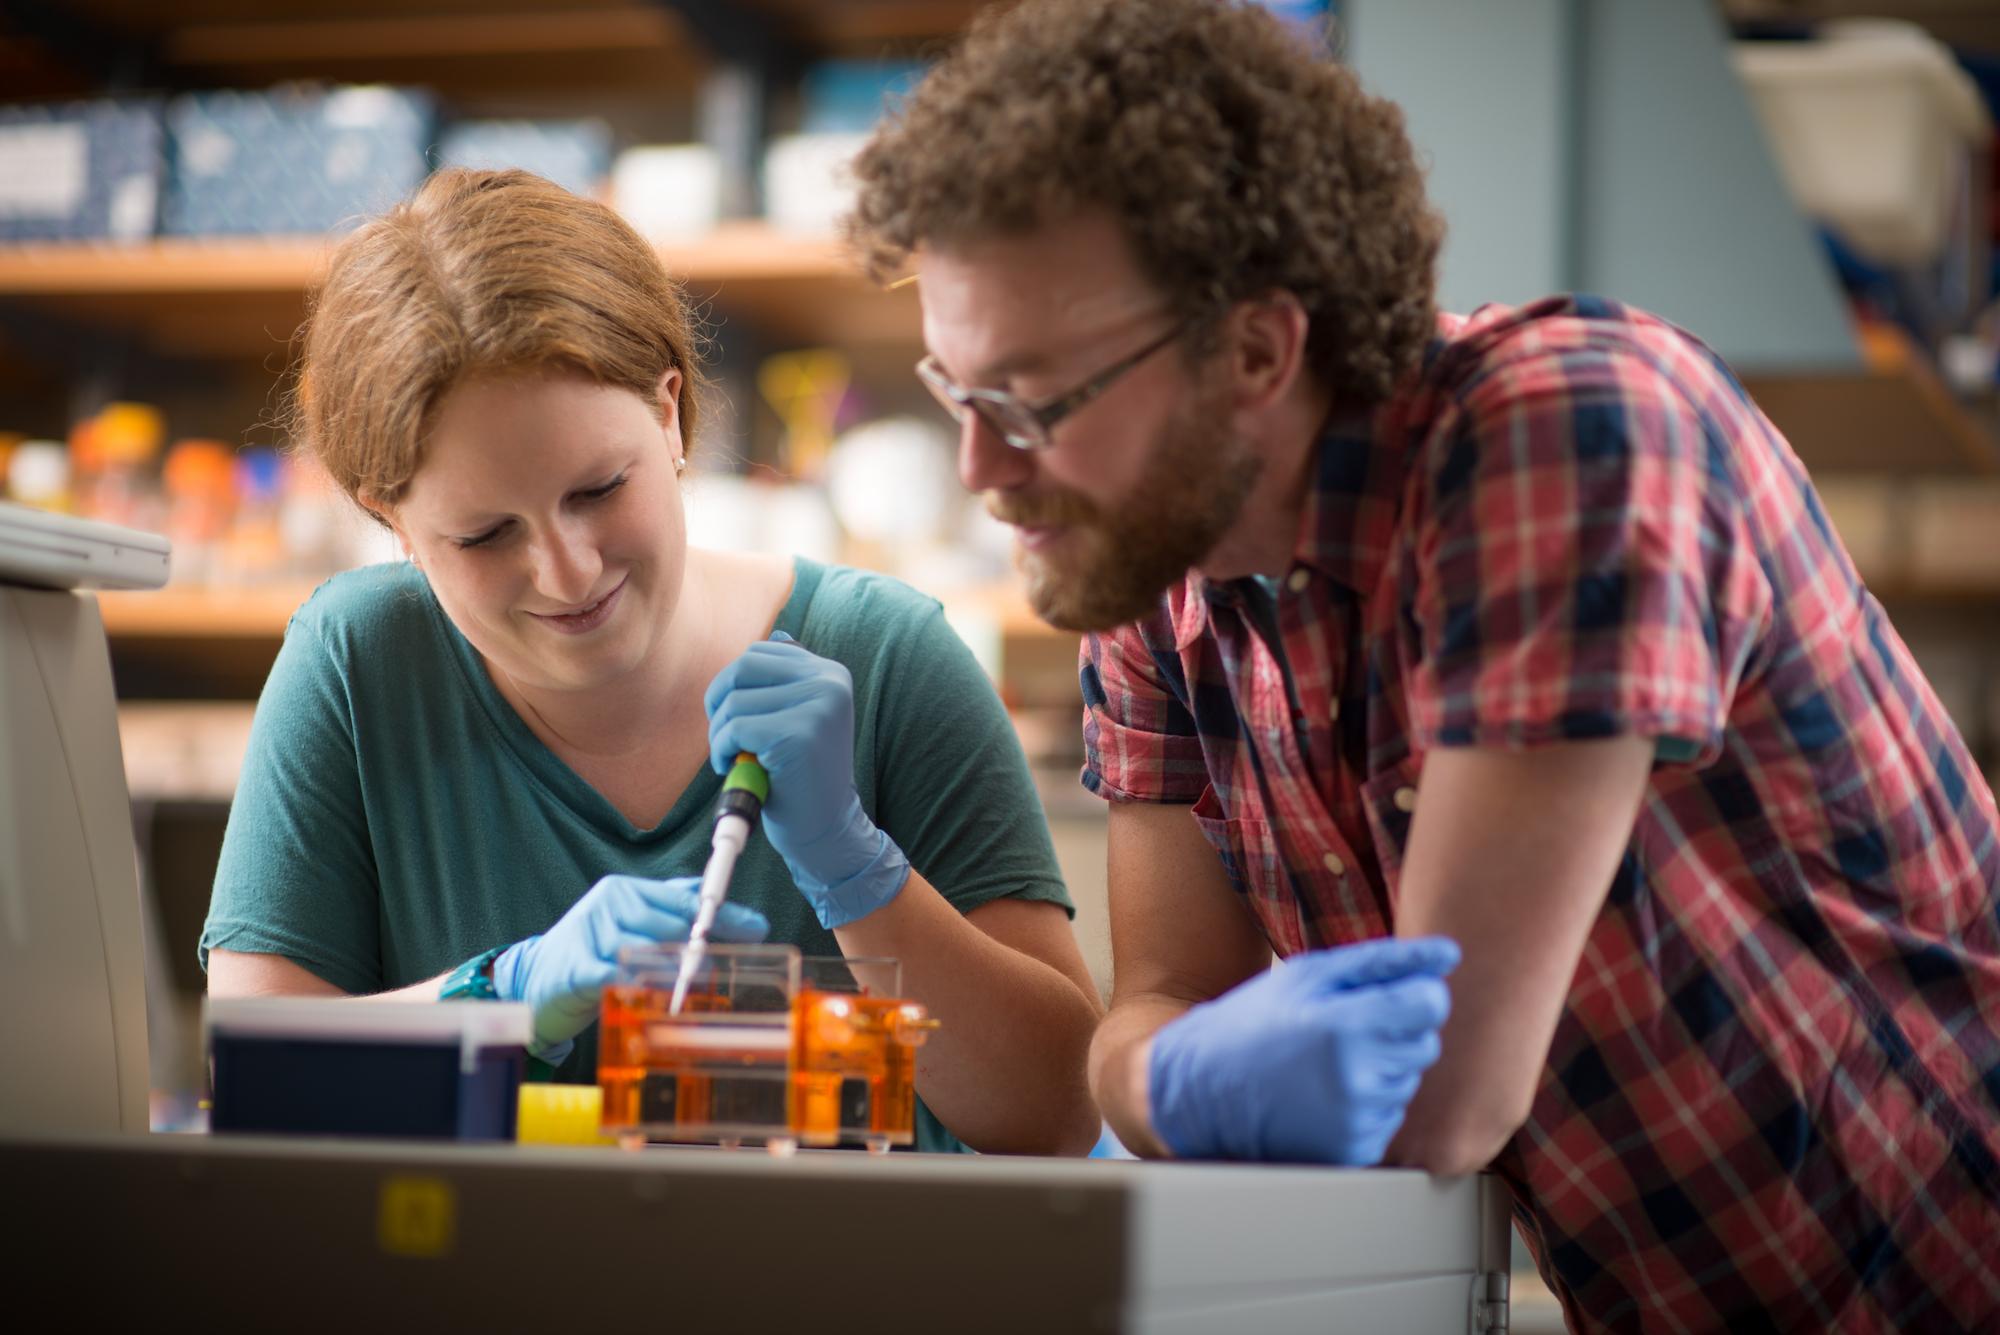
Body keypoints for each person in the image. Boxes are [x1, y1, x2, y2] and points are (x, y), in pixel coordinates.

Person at [846, 0, 2000, 1326]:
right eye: (960, 393)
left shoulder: (1567, 432)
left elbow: (1447, 1095)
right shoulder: (1148, 572)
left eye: (1032, 402)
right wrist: (1159, 1076)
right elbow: (1158, 1004)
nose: (982, 469)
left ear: (1256, 350)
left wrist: (1153, 1071)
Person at [200, 168, 1103, 1157]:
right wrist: (503, 993)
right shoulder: (358, 666)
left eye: (597, 488)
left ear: (668, 413)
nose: (566, 570)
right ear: (392, 524)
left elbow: (1053, 1116)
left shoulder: (885, 656)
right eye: (485, 533)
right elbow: (257, 1083)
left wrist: (856, 868)